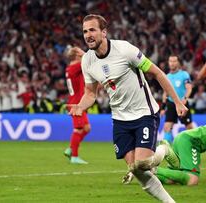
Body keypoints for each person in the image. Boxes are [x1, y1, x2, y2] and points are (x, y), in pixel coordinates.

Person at [69, 14, 188, 202]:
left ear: (104, 32)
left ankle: (164, 149)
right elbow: (90, 93)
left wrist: (178, 102)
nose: (88, 35)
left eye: (92, 30)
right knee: (136, 169)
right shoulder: (87, 61)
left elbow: (157, 73)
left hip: (144, 113)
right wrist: (80, 106)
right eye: (85, 31)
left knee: (142, 164)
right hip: (120, 119)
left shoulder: (125, 50)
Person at [63, 46, 91, 164]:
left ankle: (71, 148)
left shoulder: (73, 68)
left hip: (78, 102)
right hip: (76, 103)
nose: (83, 51)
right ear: (77, 55)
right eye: (80, 50)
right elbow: (89, 59)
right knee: (78, 129)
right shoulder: (74, 67)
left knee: (86, 128)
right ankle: (74, 156)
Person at [160, 55, 193, 143]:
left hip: (182, 104)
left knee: (189, 127)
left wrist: (185, 98)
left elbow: (189, 88)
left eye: (174, 61)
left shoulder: (184, 74)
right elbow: (165, 93)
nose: (172, 63)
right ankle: (168, 149)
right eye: (170, 61)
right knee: (167, 127)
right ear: (168, 63)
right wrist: (163, 108)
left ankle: (193, 145)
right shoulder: (167, 76)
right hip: (171, 103)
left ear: (178, 63)